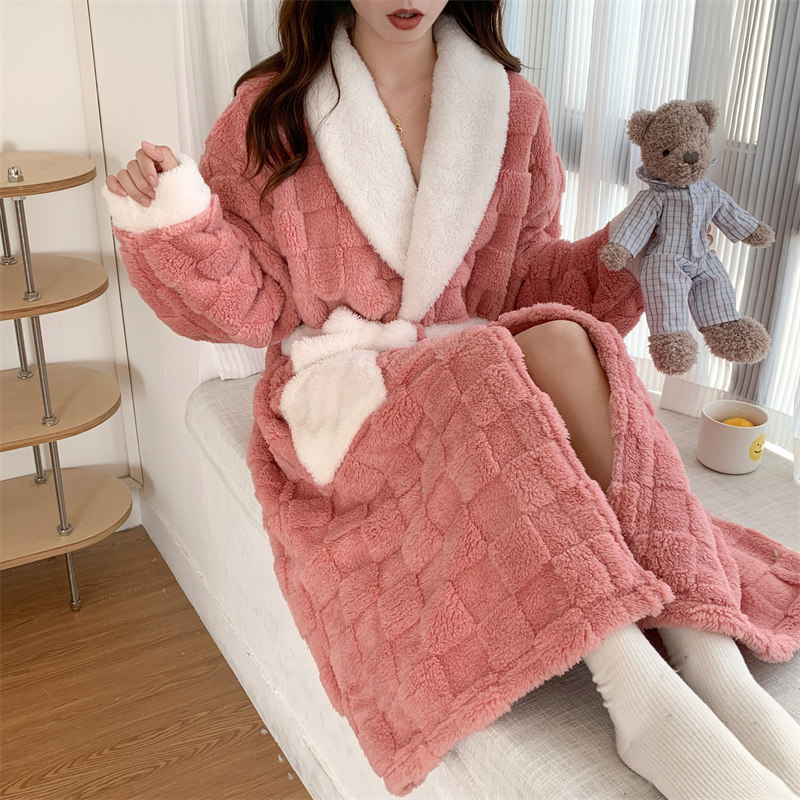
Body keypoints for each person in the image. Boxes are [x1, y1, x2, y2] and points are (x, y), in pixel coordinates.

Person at [102, 1, 800, 797]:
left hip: (472, 358)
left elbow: (526, 280)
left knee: (570, 338)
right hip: (346, 389)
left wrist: (631, 255)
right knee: (479, 363)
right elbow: (256, 307)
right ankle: (639, 696)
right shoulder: (270, 111)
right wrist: (175, 217)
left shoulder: (512, 107)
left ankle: (710, 660)